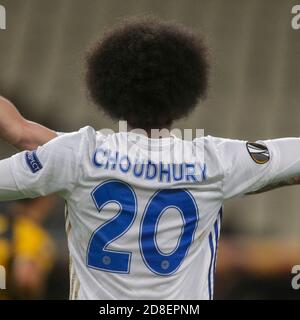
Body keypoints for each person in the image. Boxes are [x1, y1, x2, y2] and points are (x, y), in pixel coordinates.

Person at [0, 17, 299, 300]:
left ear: (108, 87)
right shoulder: (215, 162)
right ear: (185, 92)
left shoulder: (77, 153)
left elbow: (21, 132)